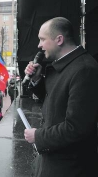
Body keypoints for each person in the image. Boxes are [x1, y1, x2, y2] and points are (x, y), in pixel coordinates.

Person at [24, 17, 98, 177]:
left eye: (42, 39)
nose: (39, 45)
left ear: (59, 39)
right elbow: (55, 102)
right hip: (54, 163)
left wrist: (38, 136)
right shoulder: (67, 66)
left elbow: (76, 128)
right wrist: (37, 79)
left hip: (70, 168)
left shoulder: (84, 70)